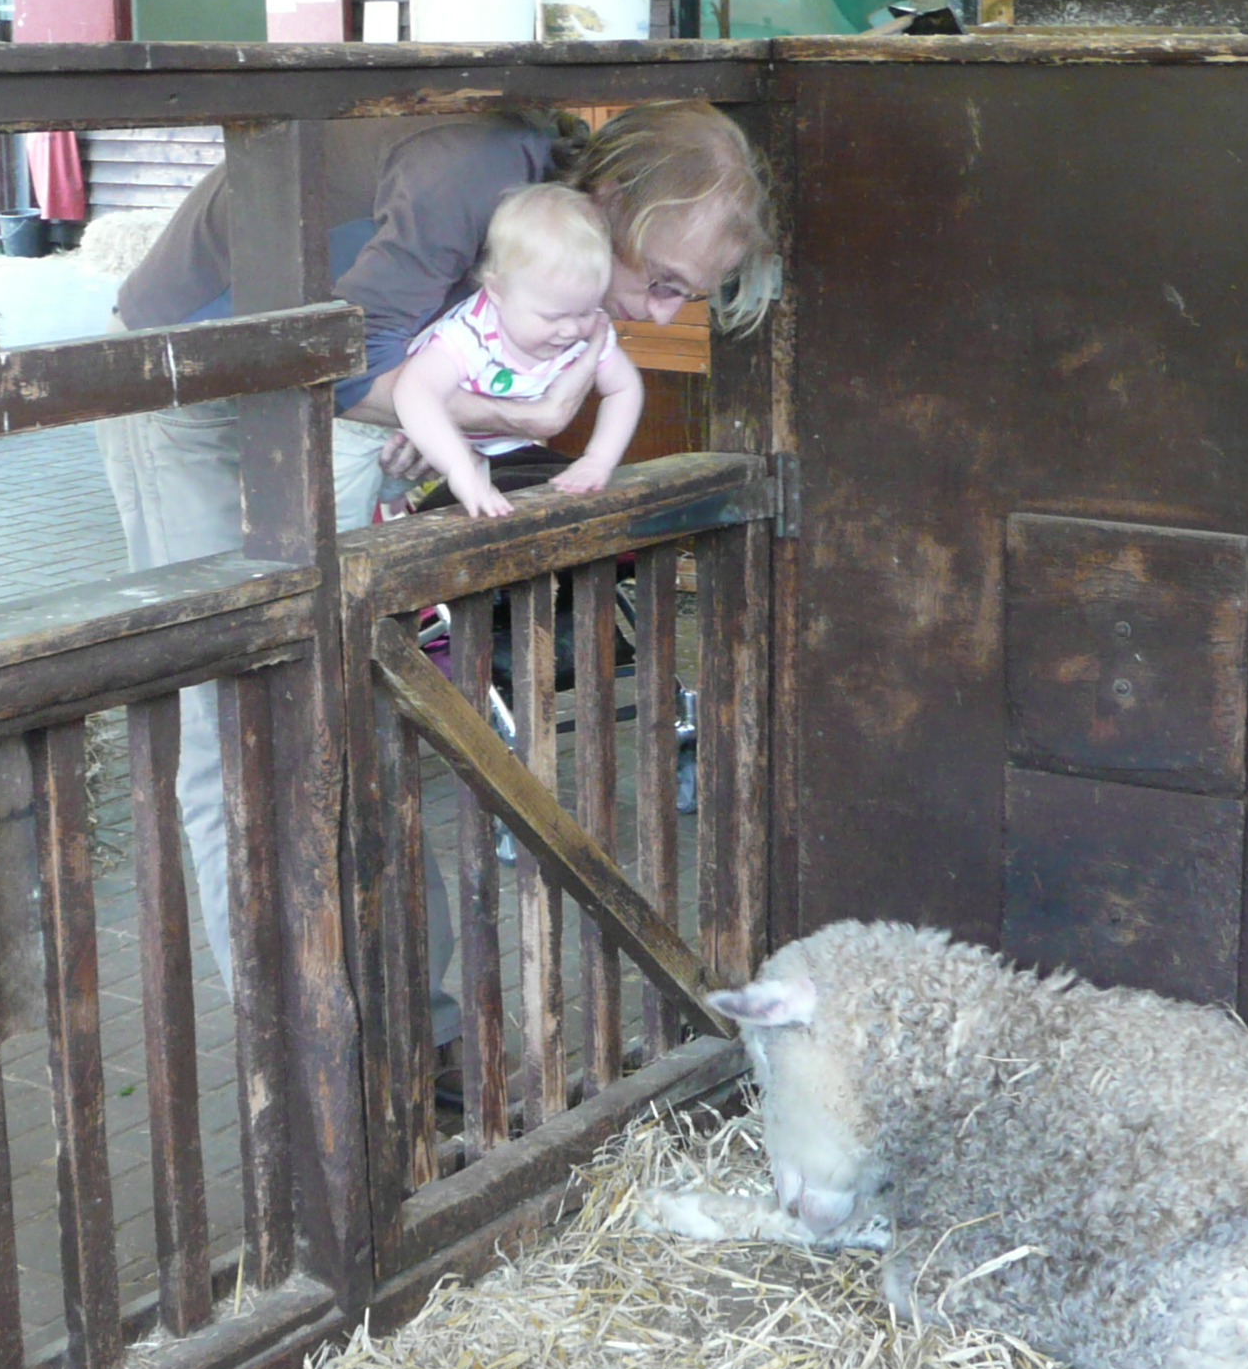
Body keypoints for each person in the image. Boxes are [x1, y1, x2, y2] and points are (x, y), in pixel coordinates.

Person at [95, 100, 776, 1038]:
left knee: (357, 698)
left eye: (683, 299)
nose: (658, 312)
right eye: (660, 281)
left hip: (309, 364)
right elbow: (344, 371)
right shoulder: (473, 175)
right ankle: (297, 1048)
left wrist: (435, 407)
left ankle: (417, 1033)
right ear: (615, 198)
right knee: (240, 719)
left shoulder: (557, 235)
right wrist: (496, 419)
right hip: (190, 374)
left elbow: (396, 358)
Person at [386, 182, 645, 520]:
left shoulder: (586, 331)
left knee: (476, 512)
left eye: (584, 311)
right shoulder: (472, 335)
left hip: (477, 445)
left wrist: (599, 459)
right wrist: (459, 467)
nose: (570, 330)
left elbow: (624, 388)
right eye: (552, 317)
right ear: (498, 292)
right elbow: (414, 390)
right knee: (347, 511)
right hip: (391, 429)